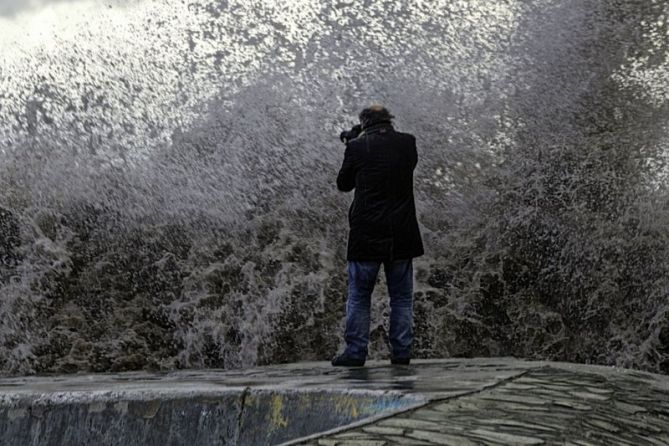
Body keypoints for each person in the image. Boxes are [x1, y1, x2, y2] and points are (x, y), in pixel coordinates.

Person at [332, 105, 424, 367]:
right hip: (402, 234)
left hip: (366, 234)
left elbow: (343, 184)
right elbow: (394, 161)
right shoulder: (408, 144)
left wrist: (352, 141)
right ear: (389, 120)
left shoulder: (358, 147)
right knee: (402, 298)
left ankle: (356, 353)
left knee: (360, 297)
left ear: (364, 123)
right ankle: (402, 353)